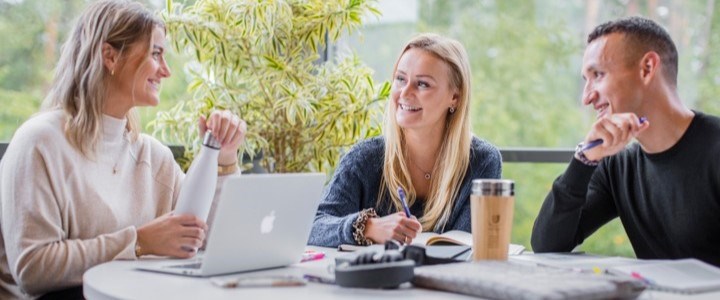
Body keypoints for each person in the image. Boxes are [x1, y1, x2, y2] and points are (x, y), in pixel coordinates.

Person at [0, 0, 247, 298]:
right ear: (110, 56)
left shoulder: (153, 159)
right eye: (156, 54)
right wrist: (140, 242)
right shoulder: (39, 143)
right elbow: (33, 269)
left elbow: (209, 239)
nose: (166, 71)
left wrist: (223, 160)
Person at [531, 16, 720, 266]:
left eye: (597, 75)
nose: (587, 97)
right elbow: (547, 244)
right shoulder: (617, 166)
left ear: (647, 68)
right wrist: (583, 160)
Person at [308, 33, 502, 247]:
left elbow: (468, 245)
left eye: (423, 84)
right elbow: (313, 227)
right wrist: (368, 227)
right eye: (400, 79)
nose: (404, 93)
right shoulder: (365, 158)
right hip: (380, 280)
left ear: (454, 97)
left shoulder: (482, 161)